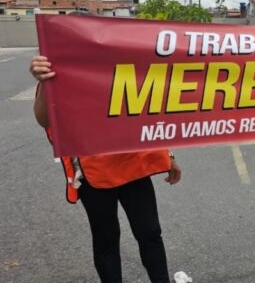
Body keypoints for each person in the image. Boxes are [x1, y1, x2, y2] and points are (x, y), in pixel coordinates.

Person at [30, 52, 181, 282]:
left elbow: (146, 116)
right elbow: (44, 119)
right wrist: (44, 81)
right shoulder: (58, 70)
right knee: (106, 240)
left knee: (150, 233)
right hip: (93, 173)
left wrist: (167, 155)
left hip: (134, 168)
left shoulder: (121, 64)